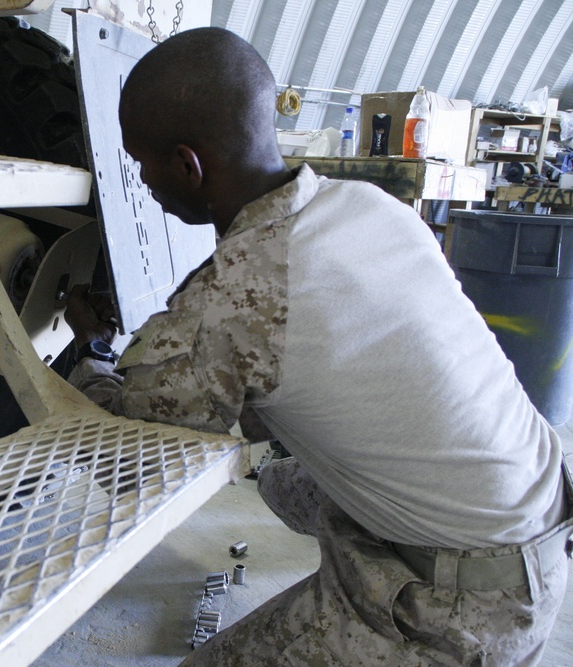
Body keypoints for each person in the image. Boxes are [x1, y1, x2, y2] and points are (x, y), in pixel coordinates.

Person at [64, 27, 573, 666]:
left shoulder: (237, 294)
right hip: (539, 525)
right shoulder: (366, 205)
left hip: (466, 610)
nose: (139, 179)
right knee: (280, 482)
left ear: (189, 166)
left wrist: (94, 352)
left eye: (142, 161)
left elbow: (128, 459)